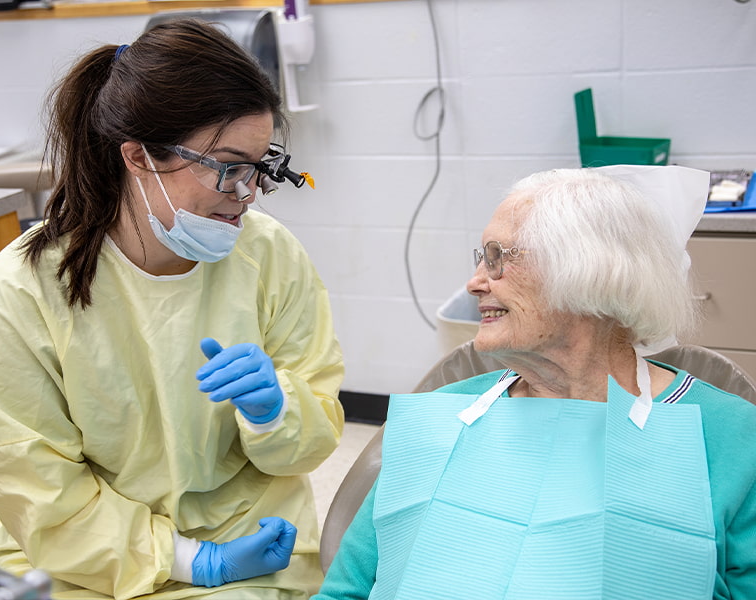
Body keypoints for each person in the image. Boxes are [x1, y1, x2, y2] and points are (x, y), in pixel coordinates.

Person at [0, 19, 344, 600]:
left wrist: (275, 413)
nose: (247, 195)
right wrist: (192, 560)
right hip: (80, 559)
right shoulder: (16, 296)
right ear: (137, 157)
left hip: (255, 540)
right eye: (228, 167)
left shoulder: (268, 255)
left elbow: (310, 437)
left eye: (259, 168)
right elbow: (38, 492)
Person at [313, 166, 756, 600]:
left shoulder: (731, 438)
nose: (474, 283)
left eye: (498, 258)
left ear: (589, 268)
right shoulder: (441, 414)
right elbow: (346, 589)